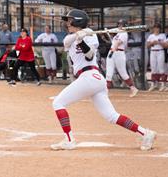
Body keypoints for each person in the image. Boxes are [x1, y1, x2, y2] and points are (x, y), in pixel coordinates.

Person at [50, 9, 156, 151]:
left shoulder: (91, 37)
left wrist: (82, 40)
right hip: (93, 80)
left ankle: (69, 140)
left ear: (77, 21)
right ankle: (146, 133)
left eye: (69, 20)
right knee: (111, 116)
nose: (67, 23)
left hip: (90, 77)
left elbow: (89, 55)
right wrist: (78, 35)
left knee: (58, 102)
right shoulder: (69, 38)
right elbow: (67, 41)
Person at [105, 19, 139, 97]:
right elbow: (113, 42)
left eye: (121, 25)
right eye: (119, 24)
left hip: (119, 53)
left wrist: (113, 50)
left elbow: (117, 43)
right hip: (112, 52)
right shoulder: (118, 34)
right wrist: (108, 34)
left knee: (123, 73)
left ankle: (133, 88)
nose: (119, 26)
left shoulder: (124, 34)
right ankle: (106, 91)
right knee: (109, 73)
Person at [146, 24, 167, 91]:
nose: (156, 29)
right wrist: (152, 43)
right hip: (153, 52)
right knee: (153, 68)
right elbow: (147, 45)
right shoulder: (151, 36)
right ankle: (153, 84)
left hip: (160, 51)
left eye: (158, 28)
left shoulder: (162, 35)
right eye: (155, 28)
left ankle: (163, 84)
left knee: (161, 68)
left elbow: (165, 45)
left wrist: (159, 42)